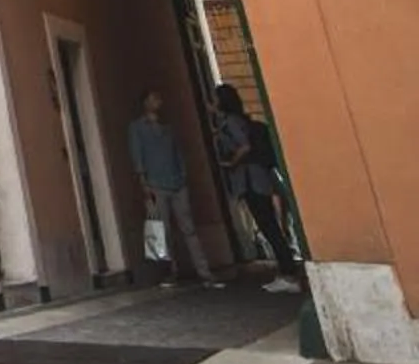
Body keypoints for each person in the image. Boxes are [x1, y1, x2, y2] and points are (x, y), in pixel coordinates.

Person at [126, 89, 224, 288]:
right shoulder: (137, 128)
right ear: (145, 102)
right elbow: (137, 155)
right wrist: (143, 182)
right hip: (155, 183)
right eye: (153, 98)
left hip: (176, 182)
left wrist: (183, 175)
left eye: (158, 97)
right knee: (162, 230)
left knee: (189, 228)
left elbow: (177, 152)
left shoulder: (168, 128)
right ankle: (169, 272)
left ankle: (204, 271)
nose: (157, 101)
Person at [213, 84, 302, 293]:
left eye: (215, 99)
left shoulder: (231, 122)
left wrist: (231, 163)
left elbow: (244, 146)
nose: (212, 103)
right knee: (269, 224)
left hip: (250, 180)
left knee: (268, 225)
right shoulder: (240, 120)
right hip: (257, 178)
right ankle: (286, 271)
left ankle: (288, 273)